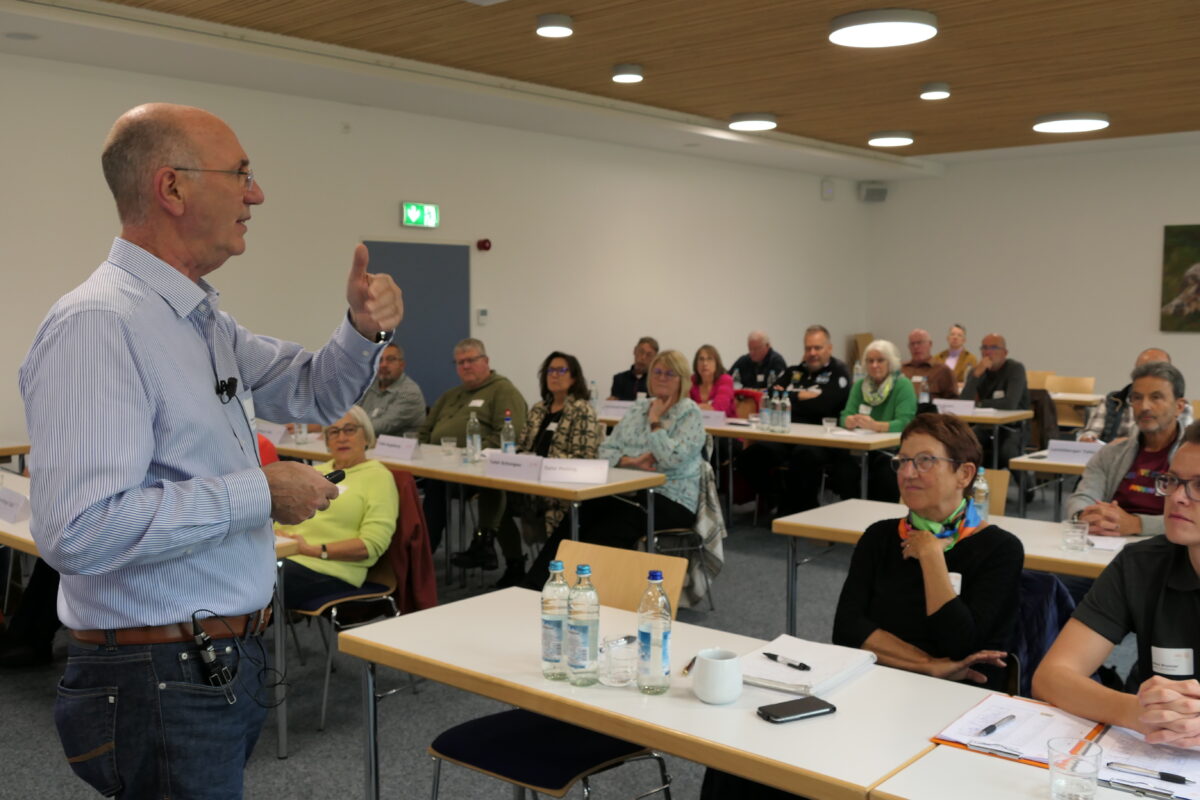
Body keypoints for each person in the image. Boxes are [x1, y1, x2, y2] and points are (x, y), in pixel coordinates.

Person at [18, 102, 402, 797]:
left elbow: (314, 391)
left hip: (216, 660)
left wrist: (360, 329)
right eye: (242, 174)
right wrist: (261, 491)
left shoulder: (202, 322)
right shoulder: (100, 326)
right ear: (173, 188)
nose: (256, 195)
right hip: (159, 674)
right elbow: (79, 531)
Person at [701, 414, 1022, 799]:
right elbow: (848, 629)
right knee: (737, 761)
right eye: (902, 461)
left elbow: (960, 645)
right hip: (869, 692)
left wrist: (932, 556)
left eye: (925, 461)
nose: (908, 472)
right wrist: (929, 665)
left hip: (946, 711)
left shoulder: (1000, 549)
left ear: (964, 474)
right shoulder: (880, 537)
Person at [1033, 421, 1200, 746]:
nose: (1178, 497)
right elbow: (1051, 677)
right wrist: (1135, 711)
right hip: (1153, 760)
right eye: (1173, 481)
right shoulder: (1141, 564)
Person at [525, 350, 705, 587]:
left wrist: (655, 422)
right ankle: (534, 585)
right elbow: (605, 451)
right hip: (625, 489)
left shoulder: (690, 412)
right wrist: (631, 461)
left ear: (682, 379)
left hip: (670, 497)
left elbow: (671, 459)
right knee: (579, 515)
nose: (662, 378)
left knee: (608, 529)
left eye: (670, 373)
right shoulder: (638, 407)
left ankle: (579, 589)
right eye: (657, 372)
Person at [476, 352, 601, 588]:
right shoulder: (538, 409)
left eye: (561, 370)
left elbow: (584, 458)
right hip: (529, 483)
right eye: (550, 371)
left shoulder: (582, 410)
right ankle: (513, 562)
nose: (554, 375)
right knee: (492, 495)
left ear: (574, 378)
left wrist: (542, 462)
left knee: (550, 506)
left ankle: (550, 573)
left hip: (561, 488)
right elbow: (522, 447)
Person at [276, 407, 398, 605]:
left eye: (349, 430)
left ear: (366, 436)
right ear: (326, 441)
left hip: (331, 569)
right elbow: (283, 517)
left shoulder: (378, 476)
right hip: (285, 557)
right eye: (334, 432)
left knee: (255, 584)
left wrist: (310, 549)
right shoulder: (314, 472)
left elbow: (371, 545)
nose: (341, 437)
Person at [418, 338, 528, 558]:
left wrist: (468, 455)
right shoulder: (451, 395)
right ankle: (411, 551)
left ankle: (425, 554)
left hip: (478, 471)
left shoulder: (503, 390)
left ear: (486, 361)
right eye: (459, 362)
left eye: (471, 360)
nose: (465, 366)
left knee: (436, 489)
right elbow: (425, 432)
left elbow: (508, 434)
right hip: (439, 468)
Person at [783, 339, 916, 513]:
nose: (874, 365)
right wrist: (849, 421)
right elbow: (845, 414)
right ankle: (852, 513)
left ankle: (880, 517)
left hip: (890, 449)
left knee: (885, 474)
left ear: (890, 362)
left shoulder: (902, 385)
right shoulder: (861, 385)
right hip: (858, 448)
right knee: (843, 470)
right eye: (870, 361)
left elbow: (905, 422)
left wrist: (877, 425)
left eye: (880, 360)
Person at [1066, 362, 1188, 537]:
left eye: (1156, 397)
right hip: (1109, 541)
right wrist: (1084, 516)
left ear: (1179, 407)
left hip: (1172, 547)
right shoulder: (1111, 453)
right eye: (1137, 398)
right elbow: (1082, 497)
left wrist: (1137, 524)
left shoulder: (1193, 458)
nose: (1144, 406)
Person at [735, 325, 851, 504]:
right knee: (749, 457)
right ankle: (777, 496)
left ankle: (802, 509)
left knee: (803, 457)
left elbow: (825, 406)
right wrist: (799, 396)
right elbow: (770, 395)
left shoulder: (839, 373)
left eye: (817, 348)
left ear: (829, 348)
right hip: (787, 436)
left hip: (821, 440)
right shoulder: (794, 371)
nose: (812, 353)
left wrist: (789, 399)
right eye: (808, 348)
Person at [1078, 348, 1192, 443]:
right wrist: (1088, 439)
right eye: (1142, 370)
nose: (1145, 406)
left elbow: (1184, 443)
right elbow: (1091, 431)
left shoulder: (1180, 407)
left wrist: (1126, 445)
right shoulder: (1113, 400)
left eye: (1156, 397)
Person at [960, 333, 1030, 467]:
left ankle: (1027, 487)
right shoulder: (978, 371)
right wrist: (975, 376)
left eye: (993, 348)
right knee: (966, 445)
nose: (988, 352)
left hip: (1014, 427)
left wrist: (979, 404)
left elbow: (1010, 403)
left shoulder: (1015, 369)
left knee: (1006, 453)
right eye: (984, 348)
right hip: (986, 426)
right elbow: (964, 403)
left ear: (1005, 352)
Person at [359, 342, 426, 436]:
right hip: (367, 445)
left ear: (402, 365)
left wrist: (348, 429)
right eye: (379, 360)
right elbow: (351, 413)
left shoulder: (409, 392)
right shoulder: (368, 385)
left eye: (390, 360)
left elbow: (382, 426)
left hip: (398, 448)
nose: (383, 365)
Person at [902, 328, 957, 401]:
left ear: (930, 344)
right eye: (912, 344)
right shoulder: (901, 370)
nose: (916, 347)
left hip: (930, 411)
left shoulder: (943, 371)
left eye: (919, 343)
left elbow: (953, 401)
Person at [689, 344, 735, 415]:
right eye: (701, 359)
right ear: (696, 363)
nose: (705, 363)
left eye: (709, 359)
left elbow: (719, 409)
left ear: (716, 363)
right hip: (697, 424)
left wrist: (693, 408)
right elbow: (683, 408)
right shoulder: (691, 380)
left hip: (725, 425)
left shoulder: (726, 380)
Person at [609, 336, 659, 400]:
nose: (643, 357)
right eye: (641, 352)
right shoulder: (619, 379)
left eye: (649, 355)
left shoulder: (656, 381)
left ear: (655, 358)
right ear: (635, 351)